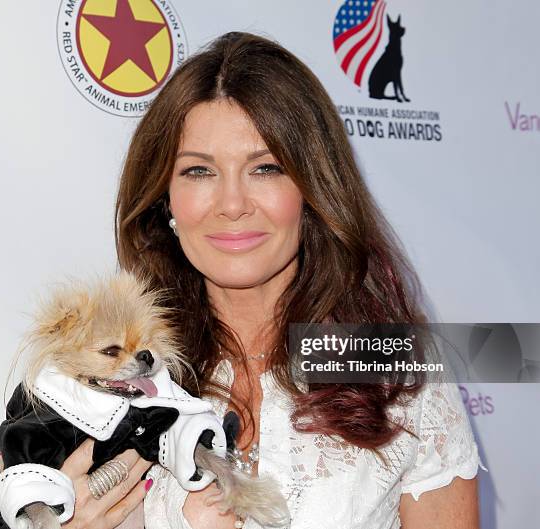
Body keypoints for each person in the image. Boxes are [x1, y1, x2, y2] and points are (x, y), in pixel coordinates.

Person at [56, 31, 486, 529]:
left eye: (266, 168)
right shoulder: (105, 372)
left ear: (312, 190)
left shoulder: (396, 365)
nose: (233, 204)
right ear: (164, 198)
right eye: (199, 171)